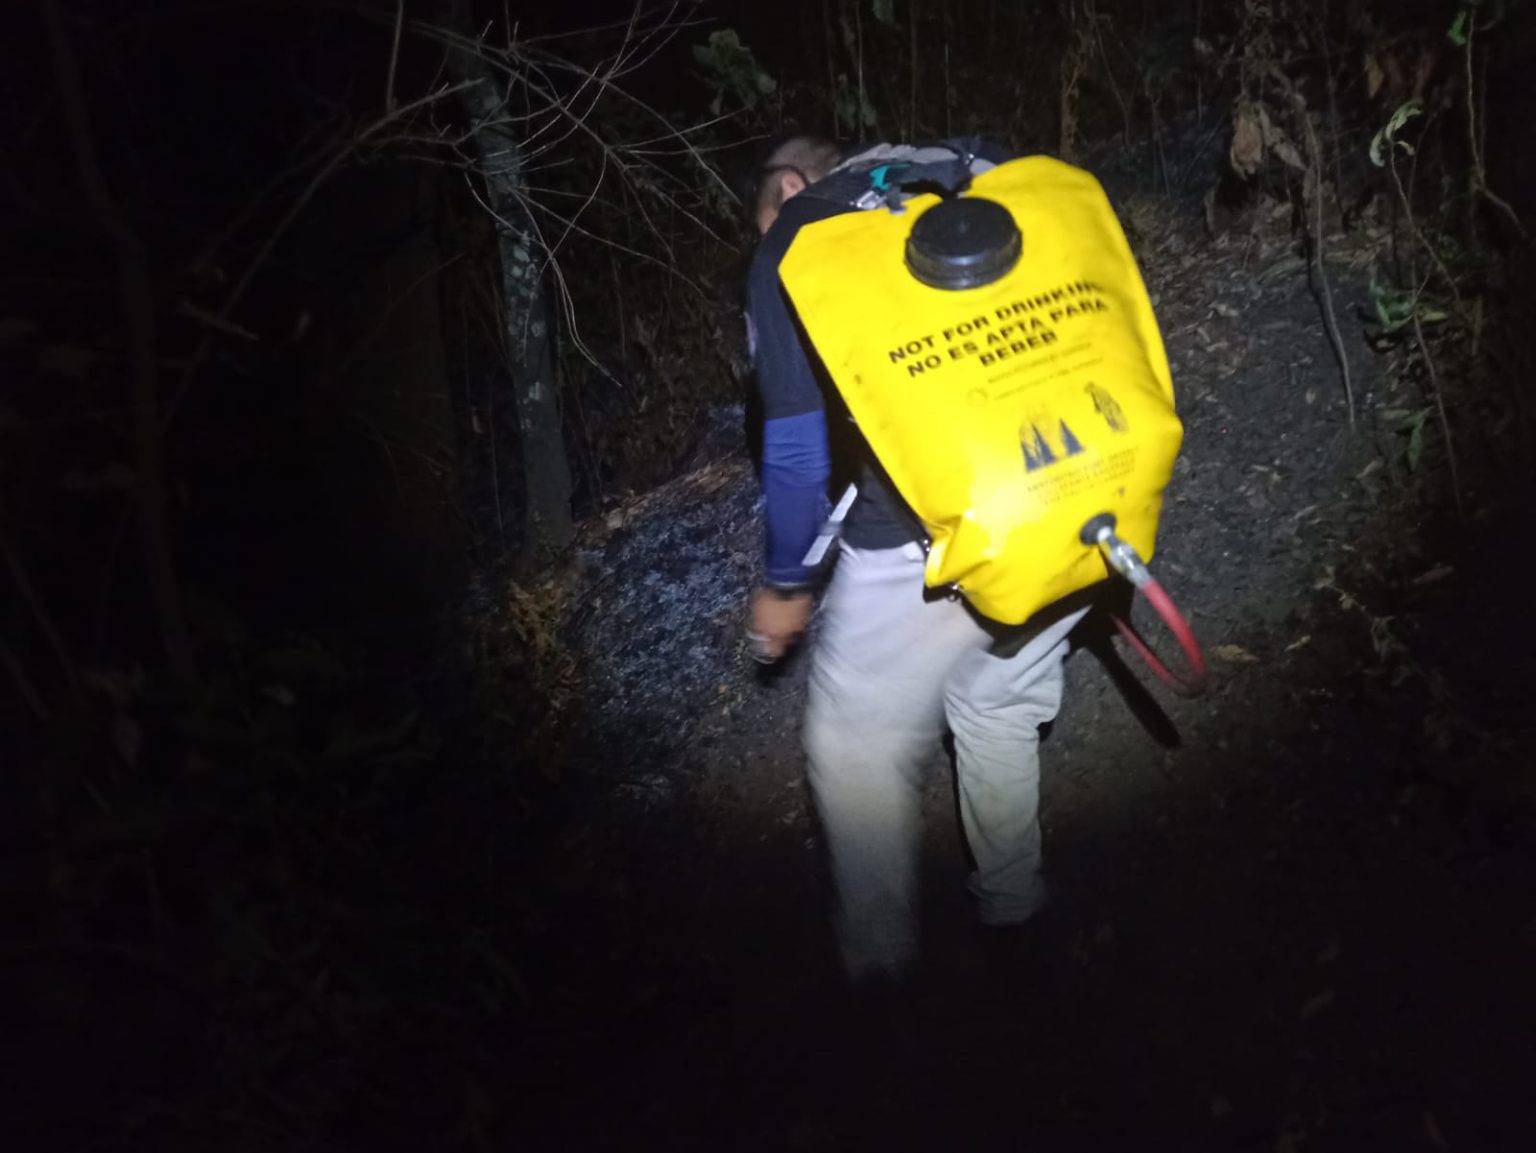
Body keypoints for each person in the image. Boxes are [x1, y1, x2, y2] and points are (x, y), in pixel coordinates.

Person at [743, 134, 1091, 988]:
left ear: (788, 184)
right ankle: (1016, 921)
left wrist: (788, 584)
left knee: (856, 740)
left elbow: (792, 451)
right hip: (1083, 485)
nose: (762, 239)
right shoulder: (965, 164)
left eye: (760, 217)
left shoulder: (800, 232)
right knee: (995, 700)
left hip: (937, 533)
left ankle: (882, 976)